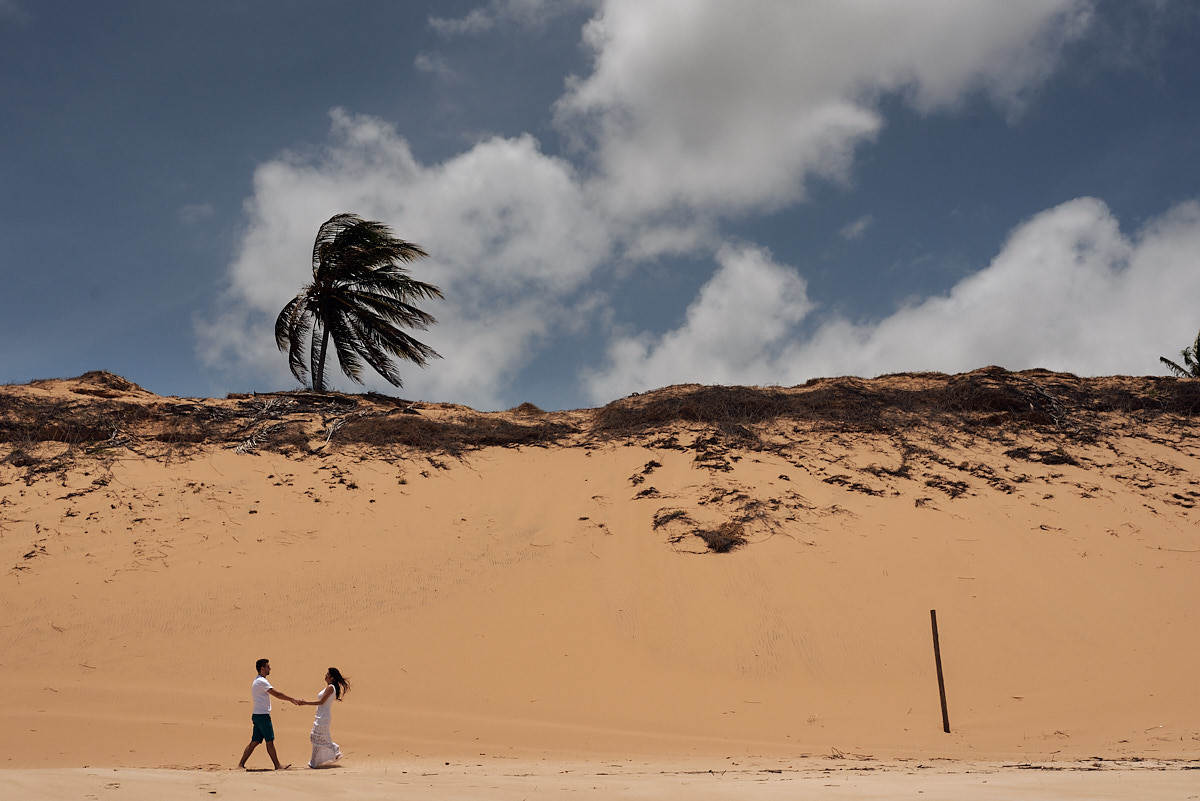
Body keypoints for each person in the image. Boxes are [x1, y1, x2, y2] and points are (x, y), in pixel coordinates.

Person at [237, 658, 300, 770]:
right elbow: (277, 694)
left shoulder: (257, 680)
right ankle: (277, 765)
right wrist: (291, 699)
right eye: (267, 666)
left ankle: (241, 764)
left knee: (255, 742)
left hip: (257, 715)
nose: (269, 668)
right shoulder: (262, 681)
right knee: (269, 741)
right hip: (262, 716)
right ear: (262, 668)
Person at [293, 667, 349, 768]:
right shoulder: (329, 687)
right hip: (321, 715)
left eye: (327, 674)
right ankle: (314, 762)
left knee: (316, 737)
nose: (325, 675)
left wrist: (305, 703)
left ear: (332, 678)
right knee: (317, 738)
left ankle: (333, 750)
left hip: (323, 716)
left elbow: (321, 702)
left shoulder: (330, 687)